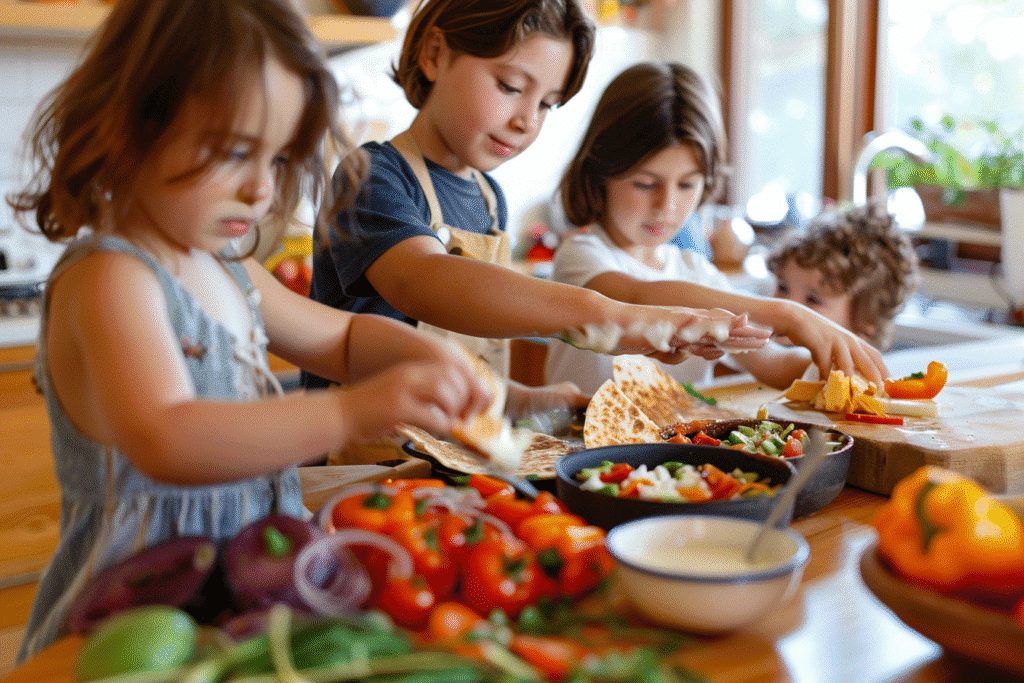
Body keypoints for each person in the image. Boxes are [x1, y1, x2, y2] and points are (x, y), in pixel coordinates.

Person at [7, 0, 498, 662]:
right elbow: (168, 436)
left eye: (277, 160)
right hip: (135, 627)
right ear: (132, 127)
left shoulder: (227, 267)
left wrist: (428, 355)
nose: (262, 191)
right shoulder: (112, 278)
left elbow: (345, 341)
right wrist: (352, 408)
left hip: (243, 598)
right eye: (237, 153)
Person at [305, 0, 770, 419]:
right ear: (433, 55)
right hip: (362, 463)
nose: (527, 120)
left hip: (451, 459)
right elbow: (423, 283)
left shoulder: (488, 197)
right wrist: (613, 317)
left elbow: (461, 355)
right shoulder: (373, 175)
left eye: (547, 103)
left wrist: (522, 400)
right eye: (510, 86)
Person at [544, 62, 889, 395]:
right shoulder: (583, 256)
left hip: (674, 453)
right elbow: (636, 297)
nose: (666, 206)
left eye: (686, 185)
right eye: (646, 184)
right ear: (600, 172)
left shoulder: (697, 273)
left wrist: (842, 374)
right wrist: (789, 315)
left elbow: (771, 363)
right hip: (578, 449)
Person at [767, 201, 921, 352]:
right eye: (783, 287)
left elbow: (779, 363)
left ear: (865, 321)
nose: (786, 307)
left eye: (813, 300)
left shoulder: (844, 370)